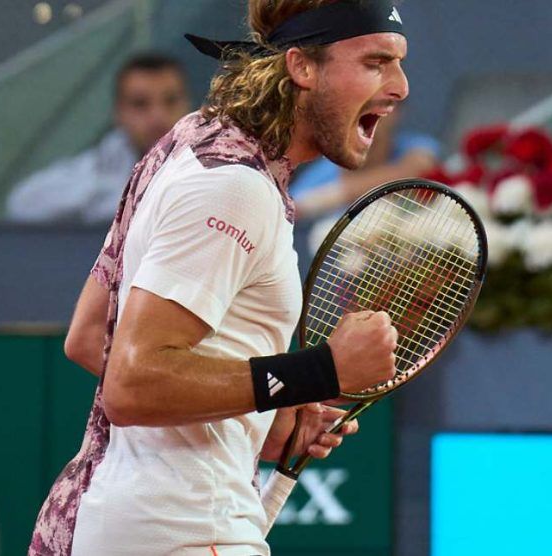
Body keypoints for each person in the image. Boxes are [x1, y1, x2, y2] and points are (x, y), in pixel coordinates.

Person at [30, 1, 407, 554]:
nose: (399, 87)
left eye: (398, 63)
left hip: (137, 520)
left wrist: (265, 417)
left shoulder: (193, 139)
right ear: (302, 67)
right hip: (182, 528)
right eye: (375, 63)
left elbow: (90, 338)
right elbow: (130, 384)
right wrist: (318, 371)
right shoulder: (234, 187)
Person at [6, 53, 191, 223]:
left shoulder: (206, 162)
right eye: (140, 104)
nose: (158, 117)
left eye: (171, 101)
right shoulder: (99, 168)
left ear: (189, 106)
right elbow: (23, 203)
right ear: (118, 114)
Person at [291, 109, 439, 218]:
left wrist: (338, 193)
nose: (368, 116)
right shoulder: (325, 168)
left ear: (396, 112)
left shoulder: (416, 146)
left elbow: (420, 168)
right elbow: (295, 208)